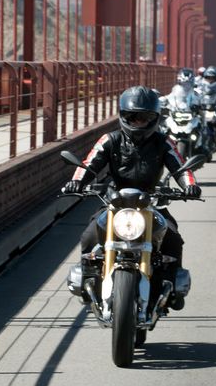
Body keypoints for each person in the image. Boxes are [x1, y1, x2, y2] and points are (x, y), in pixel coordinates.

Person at [62, 86, 202, 311]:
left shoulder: (163, 142)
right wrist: (76, 182)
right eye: (132, 118)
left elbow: (180, 168)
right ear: (123, 116)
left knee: (173, 237)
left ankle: (173, 289)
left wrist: (190, 186)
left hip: (152, 201)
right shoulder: (110, 140)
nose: (138, 123)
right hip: (115, 202)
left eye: (145, 118)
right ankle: (88, 282)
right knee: (89, 235)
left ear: (154, 119)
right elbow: (90, 164)